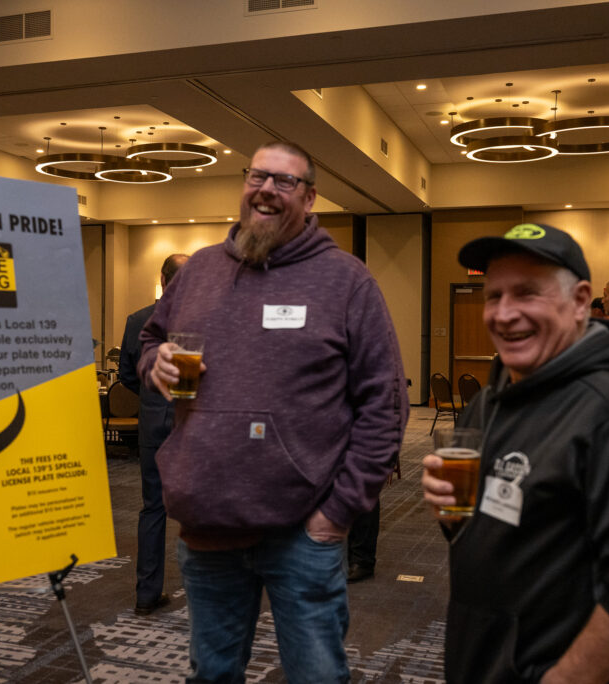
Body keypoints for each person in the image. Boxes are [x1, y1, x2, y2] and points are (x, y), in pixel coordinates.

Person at [139, 141, 408, 683]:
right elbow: (150, 339)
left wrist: (338, 513)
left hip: (302, 532)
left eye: (284, 181)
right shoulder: (200, 270)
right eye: (257, 176)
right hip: (208, 525)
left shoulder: (346, 280)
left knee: (317, 676)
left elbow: (385, 404)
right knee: (212, 674)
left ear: (309, 199)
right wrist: (155, 361)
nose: (266, 189)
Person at [421, 223, 609, 684]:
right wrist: (451, 513)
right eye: (494, 296)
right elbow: (499, 528)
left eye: (527, 293)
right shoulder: (486, 405)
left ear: (580, 302)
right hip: (484, 654)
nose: (504, 314)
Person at [118, 252, 189, 616]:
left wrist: (151, 398)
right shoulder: (201, 319)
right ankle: (204, 592)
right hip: (189, 425)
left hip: (152, 425)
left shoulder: (137, 319)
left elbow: (126, 376)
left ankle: (146, 594)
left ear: (162, 280)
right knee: (196, 508)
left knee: (153, 508)